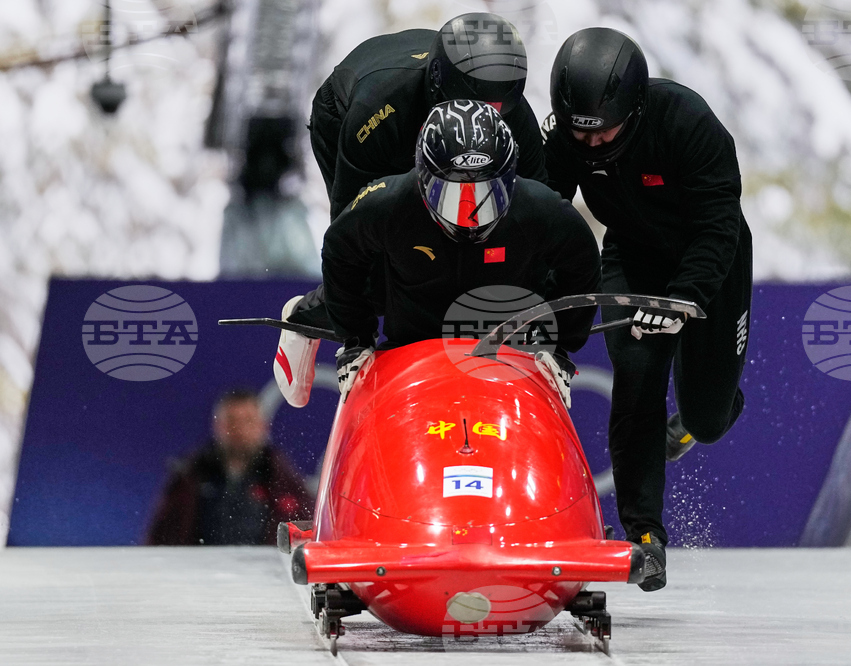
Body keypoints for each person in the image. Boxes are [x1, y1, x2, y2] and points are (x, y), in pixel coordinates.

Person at [542, 28, 754, 591]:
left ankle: (688, 425)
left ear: (633, 111)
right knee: (637, 379)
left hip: (710, 260)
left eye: (603, 132)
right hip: (633, 256)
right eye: (580, 133)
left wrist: (685, 297)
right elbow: (543, 215)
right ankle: (644, 536)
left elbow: (718, 227)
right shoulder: (564, 138)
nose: (591, 144)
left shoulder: (689, 123)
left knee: (709, 420)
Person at [273, 12, 549, 408]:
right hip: (353, 118)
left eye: (492, 113)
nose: (477, 126)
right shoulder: (377, 113)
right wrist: (353, 327)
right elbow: (350, 237)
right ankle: (303, 317)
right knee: (390, 270)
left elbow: (539, 220)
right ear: (439, 87)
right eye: (469, 109)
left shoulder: (514, 120)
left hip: (407, 119)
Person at [325, 100, 601, 414]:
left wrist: (558, 345)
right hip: (408, 358)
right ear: (423, 178)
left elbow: (582, 259)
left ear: (509, 179)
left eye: (487, 194)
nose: (470, 216)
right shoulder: (389, 203)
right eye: (451, 194)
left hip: (510, 361)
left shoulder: (537, 208)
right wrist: (356, 338)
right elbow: (340, 249)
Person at [147, 389, 311, 546]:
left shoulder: (285, 483)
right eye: (231, 421)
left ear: (263, 426)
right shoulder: (189, 478)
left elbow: (305, 540)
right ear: (217, 425)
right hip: (199, 564)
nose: (239, 429)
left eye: (248, 421)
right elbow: (161, 539)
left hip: (264, 565)